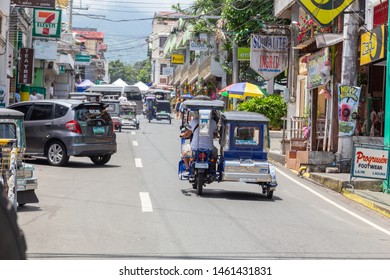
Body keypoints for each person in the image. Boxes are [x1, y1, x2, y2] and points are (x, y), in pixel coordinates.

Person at [180, 111, 218, 177]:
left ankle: (187, 168)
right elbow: (215, 134)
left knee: (184, 151)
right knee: (215, 154)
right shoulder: (213, 123)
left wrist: (182, 135)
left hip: (194, 147)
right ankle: (213, 169)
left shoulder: (194, 121)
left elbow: (188, 134)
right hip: (209, 148)